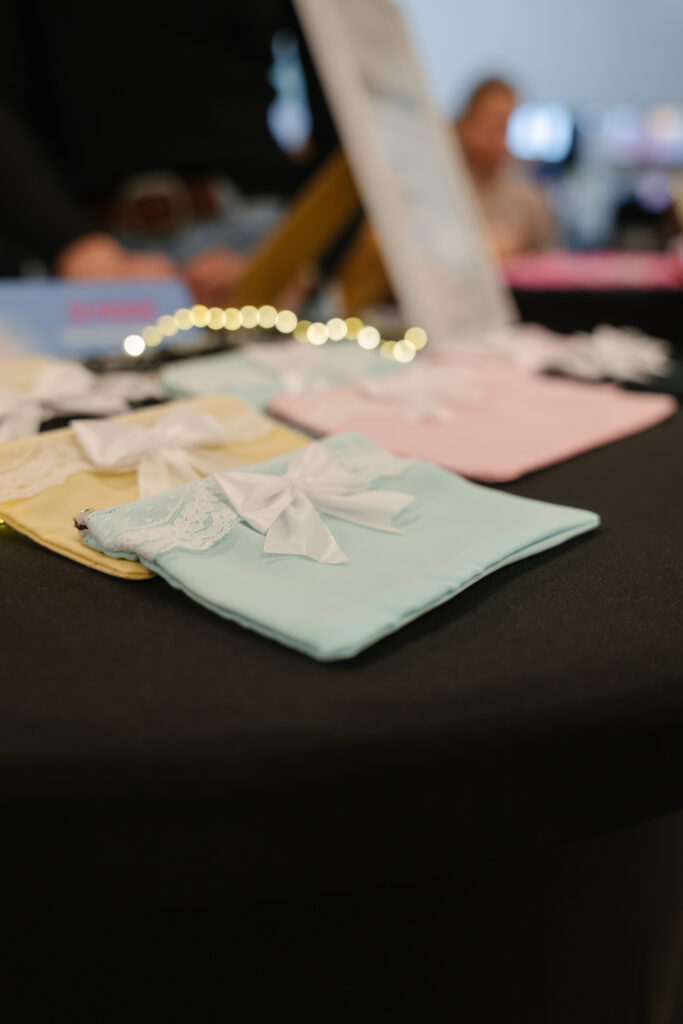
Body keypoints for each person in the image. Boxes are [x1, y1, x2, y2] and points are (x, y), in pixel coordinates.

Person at [0, 2, 336, 305]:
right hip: (93, 253)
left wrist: (301, 252)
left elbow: (343, 97)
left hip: (261, 238)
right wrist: (72, 243)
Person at [455, 77, 557, 257]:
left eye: (504, 127)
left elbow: (550, 264)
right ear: (465, 124)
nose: (497, 139)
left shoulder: (529, 203)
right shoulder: (443, 194)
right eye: (490, 124)